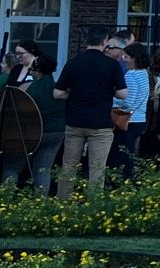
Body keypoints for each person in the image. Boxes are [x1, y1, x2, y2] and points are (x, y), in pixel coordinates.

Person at [54, 29, 129, 198]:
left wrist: (74, 94)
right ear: (104, 43)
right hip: (100, 125)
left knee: (68, 168)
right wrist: (110, 91)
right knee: (97, 170)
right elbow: (123, 94)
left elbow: (57, 93)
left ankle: (62, 205)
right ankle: (93, 208)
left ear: (87, 42)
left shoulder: (73, 63)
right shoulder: (111, 65)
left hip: (75, 122)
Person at [0, 41, 65, 190]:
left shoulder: (32, 88)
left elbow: (22, 109)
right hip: (57, 132)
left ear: (39, 71)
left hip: (32, 131)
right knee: (42, 169)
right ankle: (41, 203)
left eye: (32, 70)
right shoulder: (58, 88)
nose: (31, 73)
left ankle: (6, 197)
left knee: (11, 166)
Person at [113, 42, 151, 175]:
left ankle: (123, 179)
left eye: (126, 56)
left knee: (122, 153)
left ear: (134, 58)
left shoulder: (131, 75)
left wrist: (112, 100)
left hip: (128, 119)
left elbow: (128, 102)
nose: (124, 59)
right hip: (139, 118)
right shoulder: (144, 73)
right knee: (129, 151)